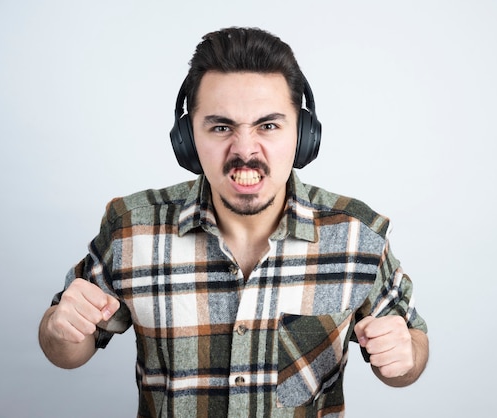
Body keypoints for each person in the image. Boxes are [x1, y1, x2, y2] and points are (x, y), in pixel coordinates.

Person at [38, 26, 429, 418]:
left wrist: (404, 356)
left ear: (304, 136)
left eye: (268, 126)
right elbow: (67, 351)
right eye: (221, 127)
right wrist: (61, 329)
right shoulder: (131, 229)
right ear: (188, 139)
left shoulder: (357, 235)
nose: (245, 150)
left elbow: (411, 349)